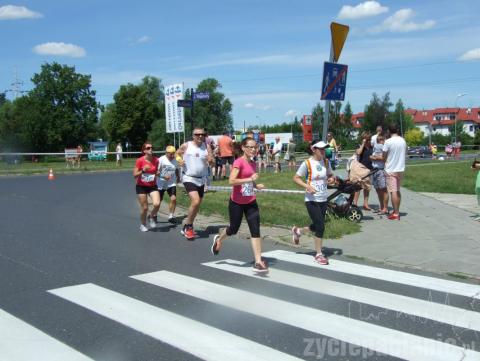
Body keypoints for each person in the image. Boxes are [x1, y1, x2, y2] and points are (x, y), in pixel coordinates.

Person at [210, 137, 268, 272]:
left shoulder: (253, 164)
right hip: (236, 203)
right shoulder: (238, 162)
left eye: (255, 147)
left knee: (255, 229)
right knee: (233, 229)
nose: (253, 150)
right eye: (250, 147)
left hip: (251, 201)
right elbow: (231, 181)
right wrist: (250, 179)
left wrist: (255, 185)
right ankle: (219, 238)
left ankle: (258, 261)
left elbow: (250, 180)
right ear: (243, 148)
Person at [290, 140, 335, 265]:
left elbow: (331, 175)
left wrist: (331, 179)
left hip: (323, 199)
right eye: (320, 149)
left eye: (324, 149)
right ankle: (319, 254)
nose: (323, 151)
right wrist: (307, 186)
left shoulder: (326, 162)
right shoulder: (307, 163)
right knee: (321, 226)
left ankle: (298, 231)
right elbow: (296, 178)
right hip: (311, 200)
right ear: (313, 149)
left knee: (317, 224)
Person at [176, 127, 214, 240]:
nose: (200, 136)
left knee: (197, 205)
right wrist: (179, 160)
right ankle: (189, 227)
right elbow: (177, 154)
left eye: (202, 134)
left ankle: (186, 225)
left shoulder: (206, 147)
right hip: (188, 177)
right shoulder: (186, 145)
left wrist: (211, 160)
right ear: (193, 136)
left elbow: (212, 162)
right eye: (197, 134)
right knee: (196, 201)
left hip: (201, 179)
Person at [133, 142, 160, 232]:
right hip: (141, 186)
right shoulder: (140, 160)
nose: (150, 149)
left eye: (151, 148)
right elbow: (135, 175)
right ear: (144, 150)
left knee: (157, 204)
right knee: (145, 208)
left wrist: (160, 174)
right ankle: (143, 224)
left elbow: (155, 172)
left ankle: (151, 216)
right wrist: (143, 170)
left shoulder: (156, 160)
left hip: (152, 185)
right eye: (148, 148)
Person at [383, 124, 407, 220]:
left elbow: (384, 155)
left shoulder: (388, 141)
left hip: (390, 169)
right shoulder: (403, 140)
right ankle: (397, 210)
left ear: (389, 131)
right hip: (400, 168)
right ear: (397, 130)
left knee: (393, 191)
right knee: (397, 190)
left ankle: (396, 213)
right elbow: (405, 153)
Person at [155, 145, 180, 224]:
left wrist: (178, 177)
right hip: (161, 183)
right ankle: (154, 214)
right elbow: (156, 171)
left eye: (173, 153)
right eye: (171, 154)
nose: (172, 155)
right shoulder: (161, 160)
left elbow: (176, 169)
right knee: (158, 201)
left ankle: (171, 216)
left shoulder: (175, 160)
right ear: (166, 153)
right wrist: (163, 176)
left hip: (171, 183)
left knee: (173, 199)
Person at [353, 132, 374, 210]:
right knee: (358, 186)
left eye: (370, 139)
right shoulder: (359, 145)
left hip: (369, 169)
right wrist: (363, 144)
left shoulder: (372, 147)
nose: (369, 141)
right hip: (360, 169)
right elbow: (358, 153)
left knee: (367, 187)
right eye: (368, 140)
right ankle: (355, 203)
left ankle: (366, 204)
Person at [369, 134, 389, 214]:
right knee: (378, 190)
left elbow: (384, 158)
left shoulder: (384, 147)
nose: (380, 141)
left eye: (381, 140)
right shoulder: (376, 147)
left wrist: (376, 157)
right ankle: (381, 207)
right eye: (378, 140)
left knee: (383, 189)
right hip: (374, 170)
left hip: (380, 170)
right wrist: (373, 157)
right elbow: (372, 156)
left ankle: (385, 208)